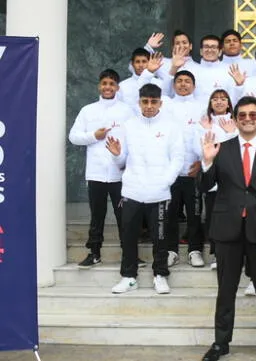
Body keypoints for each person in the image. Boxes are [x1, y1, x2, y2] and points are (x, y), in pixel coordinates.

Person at [200, 96, 256, 361]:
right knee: (225, 290)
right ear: (236, 119)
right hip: (228, 231)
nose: (248, 119)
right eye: (243, 115)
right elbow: (204, 187)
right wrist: (206, 162)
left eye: (253, 115)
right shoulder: (220, 149)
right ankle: (221, 343)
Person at [107, 83, 184, 295]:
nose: (149, 106)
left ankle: (160, 275)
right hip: (132, 191)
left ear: (160, 102)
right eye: (145, 101)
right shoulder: (128, 125)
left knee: (160, 238)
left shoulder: (171, 127)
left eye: (153, 102)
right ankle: (128, 276)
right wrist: (116, 154)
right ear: (139, 102)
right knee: (129, 236)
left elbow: (178, 158)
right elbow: (122, 160)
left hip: (159, 193)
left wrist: (165, 181)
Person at [68, 69, 134, 268]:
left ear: (117, 87)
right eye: (104, 83)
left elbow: (133, 139)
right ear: (99, 86)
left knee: (125, 217)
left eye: (111, 84)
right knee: (97, 215)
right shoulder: (88, 110)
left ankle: (129, 255)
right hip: (96, 174)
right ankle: (94, 253)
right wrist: (93, 136)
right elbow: (73, 137)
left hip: (120, 174)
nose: (107, 87)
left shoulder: (127, 111)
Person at [163, 70, 206, 268]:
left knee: (195, 213)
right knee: (170, 213)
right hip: (170, 171)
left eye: (187, 81)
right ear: (173, 85)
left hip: (193, 170)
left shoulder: (201, 107)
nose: (183, 84)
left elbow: (206, 136)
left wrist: (201, 162)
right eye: (179, 81)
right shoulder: (166, 105)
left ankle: (195, 250)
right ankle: (171, 250)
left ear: (194, 86)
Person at [193, 89, 238, 270]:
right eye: (215, 99)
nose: (219, 102)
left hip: (232, 180)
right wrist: (207, 131)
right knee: (213, 219)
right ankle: (216, 255)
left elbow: (236, 150)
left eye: (223, 99)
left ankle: (234, 255)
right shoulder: (204, 123)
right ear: (210, 103)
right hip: (212, 178)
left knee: (233, 219)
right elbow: (200, 150)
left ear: (229, 103)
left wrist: (229, 133)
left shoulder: (236, 122)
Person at [118, 48, 166, 113]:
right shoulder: (122, 86)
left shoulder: (160, 84)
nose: (141, 65)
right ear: (132, 64)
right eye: (137, 62)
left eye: (144, 61)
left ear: (149, 62)